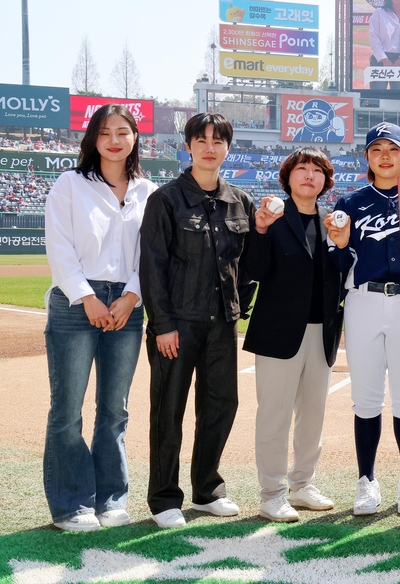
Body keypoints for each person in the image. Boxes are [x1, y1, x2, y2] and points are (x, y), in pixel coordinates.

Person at [42, 104, 157, 532]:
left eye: (123, 131)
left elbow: (152, 255)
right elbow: (59, 246)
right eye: (105, 132)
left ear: (134, 138)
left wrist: (131, 296)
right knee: (67, 409)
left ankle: (111, 498)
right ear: (93, 138)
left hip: (127, 304)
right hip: (76, 305)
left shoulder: (148, 190)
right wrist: (87, 297)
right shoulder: (70, 184)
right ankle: (72, 505)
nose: (114, 139)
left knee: (115, 410)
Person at [140, 113, 256, 529]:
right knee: (168, 409)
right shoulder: (166, 200)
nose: (210, 147)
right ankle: (164, 498)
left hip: (221, 324)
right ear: (187, 145)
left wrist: (239, 307)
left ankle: (207, 490)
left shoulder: (240, 201)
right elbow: (152, 267)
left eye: (218, 140)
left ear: (228, 147)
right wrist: (163, 324)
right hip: (178, 325)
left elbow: (250, 264)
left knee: (222, 405)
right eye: (201, 139)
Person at [329, 123, 400, 517]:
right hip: (363, 303)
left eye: (393, 148)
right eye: (376, 149)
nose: (385, 155)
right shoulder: (351, 204)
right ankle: (366, 480)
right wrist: (338, 245)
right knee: (366, 398)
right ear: (367, 158)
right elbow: (336, 264)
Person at [243, 148, 345, 522]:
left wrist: (344, 244)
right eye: (301, 168)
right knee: (274, 416)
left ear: (325, 180)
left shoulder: (331, 221)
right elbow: (253, 268)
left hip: (322, 333)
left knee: (313, 416)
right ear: (288, 177)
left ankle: (303, 485)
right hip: (278, 332)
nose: (309, 175)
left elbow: (341, 275)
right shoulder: (273, 216)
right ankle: (272, 492)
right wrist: (261, 229)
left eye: (318, 170)